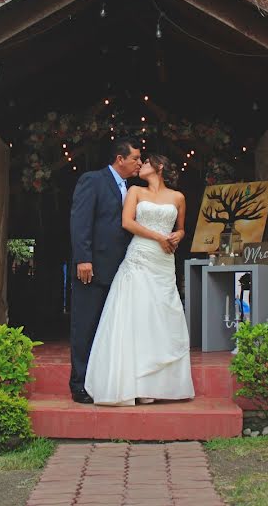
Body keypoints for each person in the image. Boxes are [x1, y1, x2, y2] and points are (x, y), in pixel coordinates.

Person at [84, 154, 195, 406]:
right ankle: (134, 383)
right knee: (136, 315)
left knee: (162, 315)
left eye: (145, 163)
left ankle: (159, 384)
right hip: (140, 256)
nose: (140, 165)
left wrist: (177, 235)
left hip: (164, 261)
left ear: (160, 167)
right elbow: (127, 222)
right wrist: (159, 237)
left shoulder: (178, 197)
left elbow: (181, 227)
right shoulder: (135, 191)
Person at [68, 137, 142, 404]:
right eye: (135, 158)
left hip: (121, 269)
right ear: (119, 159)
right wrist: (83, 259)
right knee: (85, 324)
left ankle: (102, 381)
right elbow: (80, 220)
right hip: (94, 267)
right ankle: (79, 384)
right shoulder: (93, 180)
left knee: (109, 328)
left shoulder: (130, 188)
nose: (139, 163)